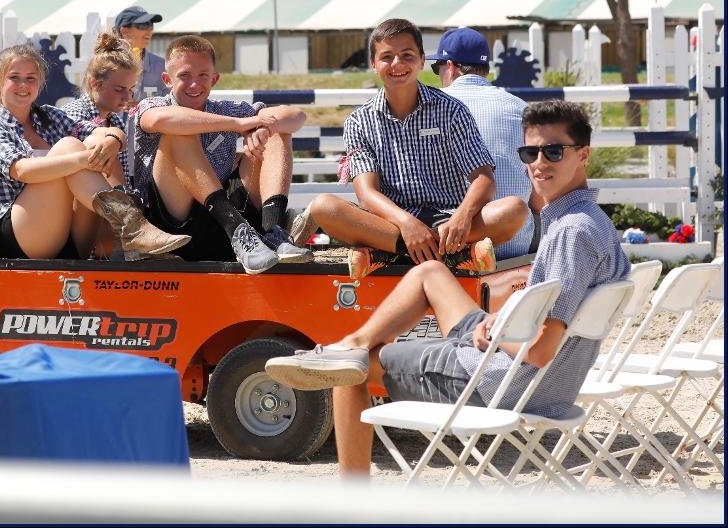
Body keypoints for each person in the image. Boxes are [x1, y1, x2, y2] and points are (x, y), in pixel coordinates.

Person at [266, 100, 630, 476]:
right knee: (431, 273)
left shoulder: (572, 233)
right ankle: (354, 343)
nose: (539, 163)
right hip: (542, 380)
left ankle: (354, 496)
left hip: (503, 381)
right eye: (530, 152)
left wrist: (499, 331)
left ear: (583, 154)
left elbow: (539, 350)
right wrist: (504, 320)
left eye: (553, 152)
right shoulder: (592, 222)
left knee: (350, 370)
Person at [290, 18, 527, 278]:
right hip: (391, 224)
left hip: (447, 221)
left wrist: (462, 216)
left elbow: (483, 178)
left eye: (407, 55)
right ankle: (451, 254)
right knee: (324, 206)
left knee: (514, 210)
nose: (397, 64)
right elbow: (366, 194)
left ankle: (388, 254)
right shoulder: (359, 121)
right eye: (387, 57)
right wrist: (406, 223)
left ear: (422, 60)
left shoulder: (451, 109)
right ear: (373, 64)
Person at [0, 44, 188, 262]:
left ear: (40, 82)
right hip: (18, 239)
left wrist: (111, 140)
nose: (23, 85)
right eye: (14, 77)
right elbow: (22, 171)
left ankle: (131, 231)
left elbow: (105, 133)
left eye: (31, 78)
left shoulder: (50, 117)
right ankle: (132, 229)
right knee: (69, 145)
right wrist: (83, 159)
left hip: (68, 237)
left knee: (93, 143)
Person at [132, 34, 311, 275]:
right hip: (171, 229)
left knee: (276, 132)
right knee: (178, 132)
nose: (194, 84)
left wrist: (263, 128)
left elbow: (297, 116)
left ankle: (274, 232)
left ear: (214, 79)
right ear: (167, 80)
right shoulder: (152, 105)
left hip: (225, 229)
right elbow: (160, 120)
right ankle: (237, 228)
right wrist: (238, 124)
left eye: (202, 76)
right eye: (184, 76)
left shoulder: (224, 108)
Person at [427, 27, 534, 259]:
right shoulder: (521, 108)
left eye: (437, 68)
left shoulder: (431, 108)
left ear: (451, 66)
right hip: (512, 247)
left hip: (441, 247)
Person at [62, 31, 140, 186]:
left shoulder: (115, 120)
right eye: (119, 89)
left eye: (131, 89)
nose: (127, 97)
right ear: (95, 84)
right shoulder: (73, 113)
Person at [115, 6, 169, 100]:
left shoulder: (162, 66)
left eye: (151, 25)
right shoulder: (105, 65)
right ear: (124, 31)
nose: (149, 30)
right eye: (143, 25)